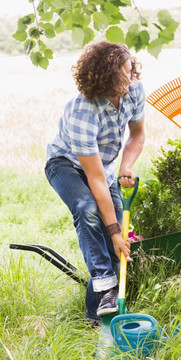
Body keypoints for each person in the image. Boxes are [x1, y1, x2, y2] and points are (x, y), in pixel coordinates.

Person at [45, 41, 146, 326]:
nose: (132, 77)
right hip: (66, 165)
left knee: (117, 243)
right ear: (107, 76)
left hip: (105, 167)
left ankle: (94, 317)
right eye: (125, 73)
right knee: (88, 209)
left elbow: (137, 135)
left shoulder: (134, 90)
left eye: (131, 69)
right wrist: (112, 230)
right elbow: (95, 179)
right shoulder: (82, 112)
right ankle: (103, 281)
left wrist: (126, 165)